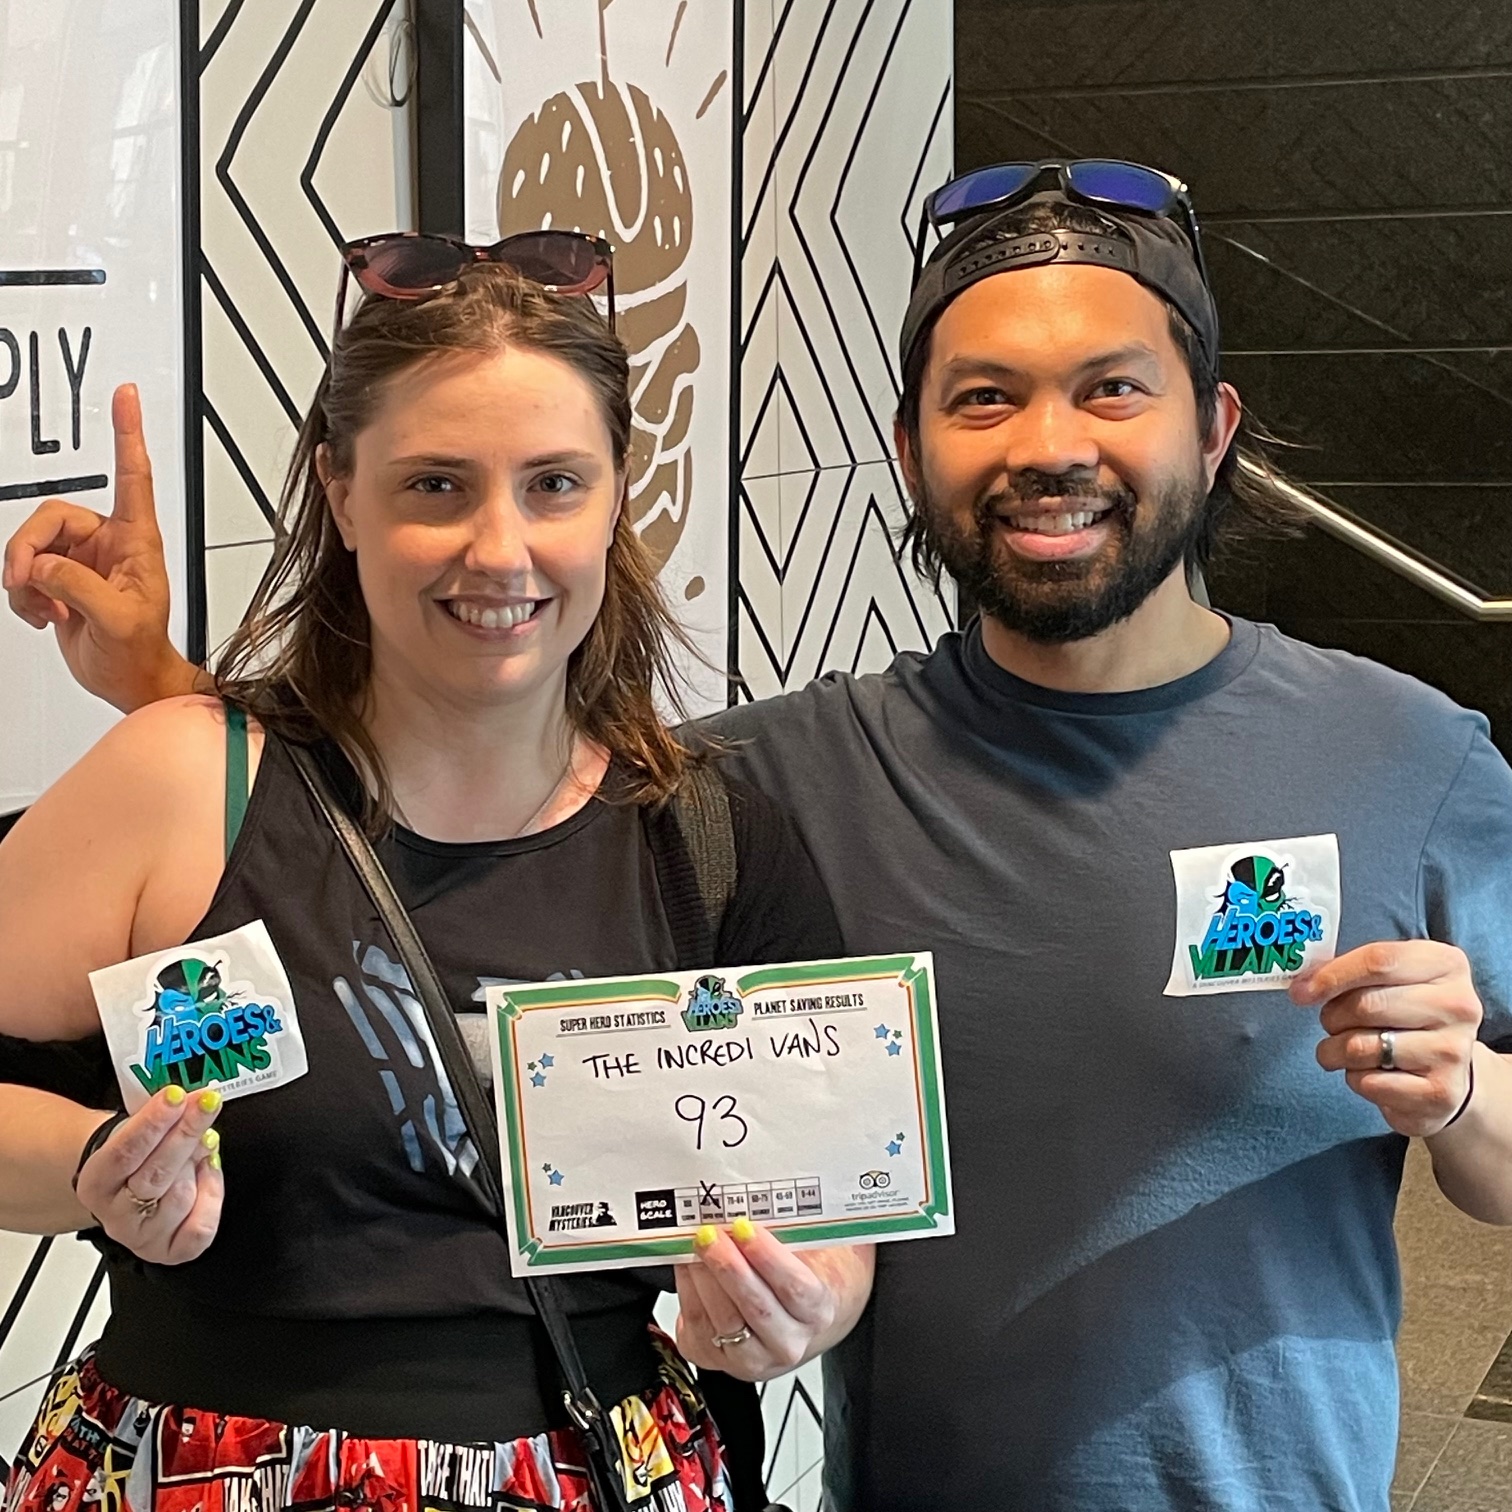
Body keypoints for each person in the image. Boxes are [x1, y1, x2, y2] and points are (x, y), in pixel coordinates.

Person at [10, 162, 1512, 1511]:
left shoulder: (1409, 756)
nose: (1048, 445)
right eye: (984, 397)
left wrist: (1461, 1096)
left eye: (1112, 388)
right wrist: (178, 712)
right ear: (911, 445)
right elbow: (396, 809)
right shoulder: (776, 779)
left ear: (1215, 427)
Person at [0, 242, 871, 1512]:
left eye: (554, 483)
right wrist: (91, 1166)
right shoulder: (180, 782)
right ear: (341, 494)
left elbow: (836, 1215)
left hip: (601, 1465)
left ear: (616, 494)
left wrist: (796, 1310)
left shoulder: (706, 842)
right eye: (436, 485)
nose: (499, 549)